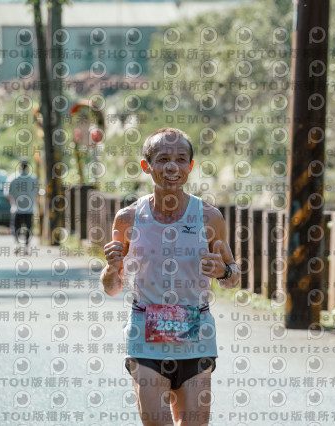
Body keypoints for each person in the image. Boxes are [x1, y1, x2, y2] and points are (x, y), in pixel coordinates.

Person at [101, 127, 240, 426]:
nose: (172, 167)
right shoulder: (128, 219)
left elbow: (233, 277)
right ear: (146, 166)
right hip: (145, 334)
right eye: (163, 159)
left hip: (196, 335)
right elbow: (112, 288)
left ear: (190, 166)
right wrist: (112, 268)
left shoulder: (209, 217)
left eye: (180, 159)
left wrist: (224, 271)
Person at [4, 158, 39, 253]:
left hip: (16, 208)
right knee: (28, 228)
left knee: (15, 227)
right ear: (28, 166)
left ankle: (17, 244)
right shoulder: (34, 178)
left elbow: (7, 194)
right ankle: (26, 247)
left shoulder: (12, 178)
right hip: (30, 208)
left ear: (19, 166)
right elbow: (37, 192)